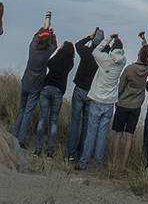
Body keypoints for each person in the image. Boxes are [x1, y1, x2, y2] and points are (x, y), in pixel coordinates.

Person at [79, 33, 126, 171]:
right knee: (102, 135)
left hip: (98, 100)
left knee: (91, 133)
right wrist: (117, 42)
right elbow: (118, 54)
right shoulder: (123, 61)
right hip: (110, 103)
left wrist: (108, 39)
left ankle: (84, 162)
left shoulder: (105, 59)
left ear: (112, 48)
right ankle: (98, 165)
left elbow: (95, 51)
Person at [14, 21, 57, 147]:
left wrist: (44, 29)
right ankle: (20, 140)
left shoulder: (32, 47)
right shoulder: (47, 52)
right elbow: (55, 45)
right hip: (36, 86)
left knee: (22, 110)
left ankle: (14, 134)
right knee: (28, 112)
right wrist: (52, 35)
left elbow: (35, 36)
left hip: (26, 81)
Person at [113, 34, 148, 167]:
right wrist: (144, 40)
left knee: (118, 134)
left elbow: (121, 86)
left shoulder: (129, 69)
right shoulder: (147, 69)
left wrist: (118, 99)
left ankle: (114, 161)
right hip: (136, 107)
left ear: (139, 55)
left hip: (123, 104)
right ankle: (124, 164)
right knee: (129, 135)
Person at [66, 27, 104, 162]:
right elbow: (109, 53)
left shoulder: (86, 52)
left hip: (79, 89)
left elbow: (77, 45)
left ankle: (69, 155)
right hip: (91, 94)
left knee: (75, 123)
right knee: (86, 127)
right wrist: (106, 42)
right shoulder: (101, 59)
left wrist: (90, 37)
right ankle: (81, 154)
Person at [34, 40, 75, 157]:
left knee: (42, 118)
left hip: (47, 88)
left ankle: (38, 148)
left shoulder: (55, 59)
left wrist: (58, 50)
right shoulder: (70, 63)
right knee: (53, 121)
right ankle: (50, 151)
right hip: (58, 91)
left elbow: (48, 63)